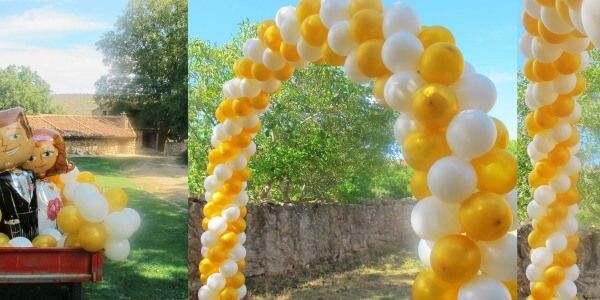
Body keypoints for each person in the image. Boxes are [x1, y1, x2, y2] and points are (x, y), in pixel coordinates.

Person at [22, 128, 74, 232]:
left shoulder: (50, 185)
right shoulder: (26, 185)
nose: (41, 162)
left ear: (57, 152)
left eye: (46, 154)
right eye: (31, 158)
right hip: (38, 226)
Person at [0, 107, 38, 239]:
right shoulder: (2, 179)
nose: (5, 146)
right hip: (13, 222)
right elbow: (5, 200)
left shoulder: (31, 174)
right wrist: (11, 219)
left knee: (34, 238)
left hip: (33, 216)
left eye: (15, 136)